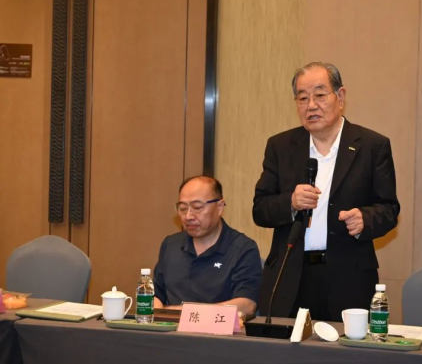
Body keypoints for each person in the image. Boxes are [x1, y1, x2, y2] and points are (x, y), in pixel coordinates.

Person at [253, 62, 400, 321]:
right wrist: (290, 202)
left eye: (320, 95)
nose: (311, 105)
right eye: (302, 98)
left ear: (340, 97)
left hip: (348, 279)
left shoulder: (372, 146)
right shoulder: (280, 146)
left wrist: (365, 219)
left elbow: (389, 209)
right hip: (290, 278)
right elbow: (260, 209)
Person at [153, 176, 262, 317]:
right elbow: (154, 295)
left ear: (219, 207)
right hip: (172, 328)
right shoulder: (171, 245)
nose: (188, 216)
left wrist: (186, 314)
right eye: (183, 208)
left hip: (218, 329)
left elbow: (247, 305)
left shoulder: (243, 248)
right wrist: (157, 313)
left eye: (197, 208)